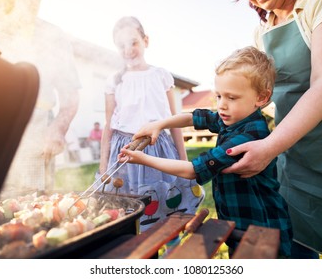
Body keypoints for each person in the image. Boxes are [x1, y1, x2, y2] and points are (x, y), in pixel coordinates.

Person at [119, 46, 293, 258]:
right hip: (237, 223)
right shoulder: (231, 119)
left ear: (261, 98)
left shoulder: (250, 135)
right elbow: (193, 117)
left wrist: (143, 159)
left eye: (232, 97)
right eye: (218, 96)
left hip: (262, 227)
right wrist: (160, 124)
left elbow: (194, 170)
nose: (221, 105)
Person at [221, 0, 322, 259]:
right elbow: (261, 96)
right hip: (293, 157)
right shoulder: (261, 32)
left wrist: (269, 147)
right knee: (294, 241)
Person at [98, 16, 205, 232]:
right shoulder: (114, 80)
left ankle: (169, 242)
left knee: (167, 208)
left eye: (133, 42)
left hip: (158, 149)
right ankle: (138, 250)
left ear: (145, 40)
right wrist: (103, 168)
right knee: (127, 210)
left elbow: (174, 121)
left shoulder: (161, 75)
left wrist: (183, 161)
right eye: (121, 45)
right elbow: (109, 125)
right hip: (124, 152)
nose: (128, 49)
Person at [0, 0, 81, 194]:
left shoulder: (52, 36)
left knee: (31, 206)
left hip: (35, 137)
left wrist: (58, 128)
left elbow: (71, 93)